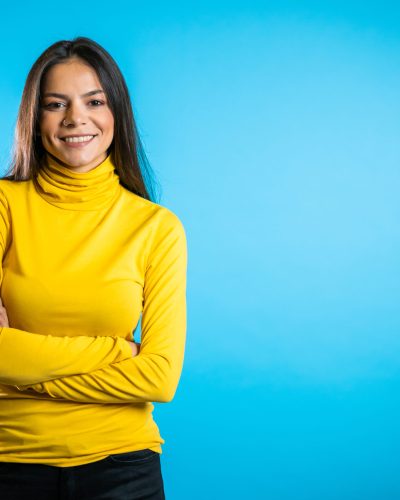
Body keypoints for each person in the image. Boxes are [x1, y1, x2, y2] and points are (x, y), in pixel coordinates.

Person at [0, 36, 187, 499]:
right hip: (10, 463)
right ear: (34, 117)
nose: (75, 119)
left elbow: (160, 377)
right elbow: (141, 365)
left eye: (94, 101)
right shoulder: (4, 207)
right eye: (55, 104)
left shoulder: (155, 228)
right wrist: (119, 354)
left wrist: (20, 376)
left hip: (124, 470)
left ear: (116, 113)